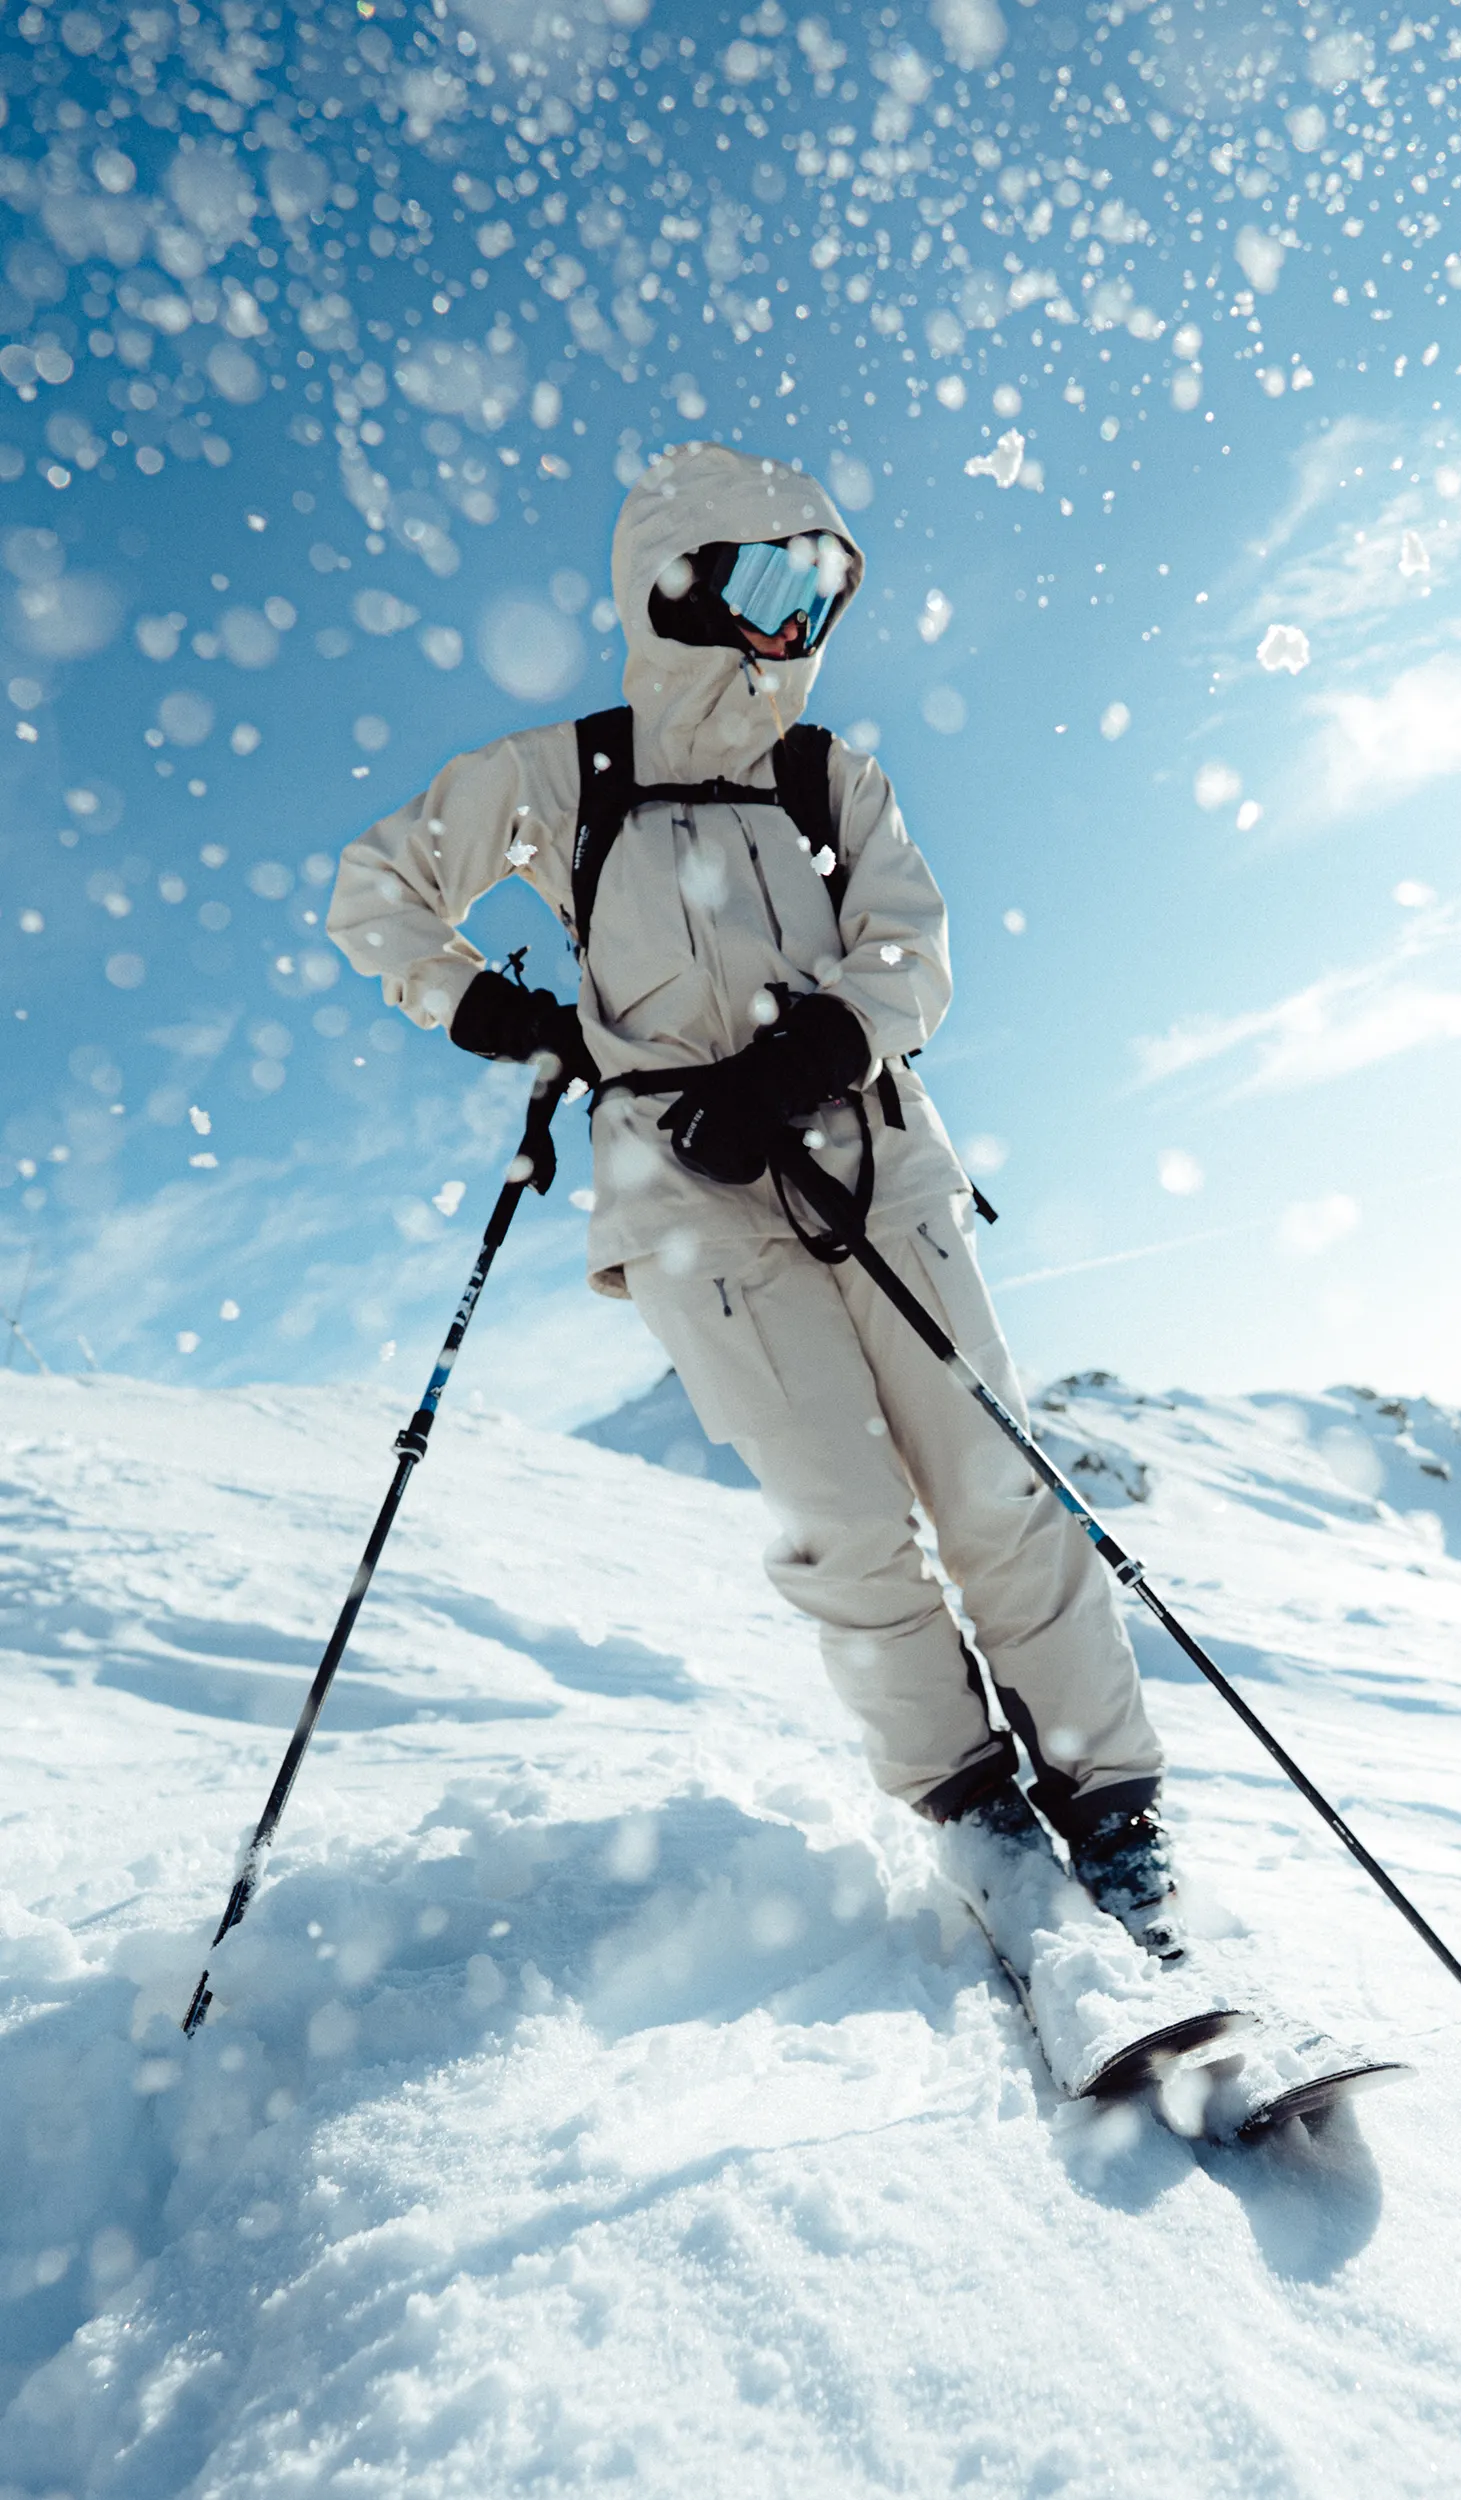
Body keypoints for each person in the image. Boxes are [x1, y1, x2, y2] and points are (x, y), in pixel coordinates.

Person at [327, 440, 1176, 1944]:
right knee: (842, 1519)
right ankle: (975, 1810)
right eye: (779, 580)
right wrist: (511, 1018)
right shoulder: (564, 777)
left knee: (992, 1483)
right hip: (687, 1203)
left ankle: (1111, 1809)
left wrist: (804, 1064)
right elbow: (379, 892)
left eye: (828, 590)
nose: (805, 623)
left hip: (876, 1164)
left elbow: (909, 948)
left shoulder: (824, 778)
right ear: (684, 583)